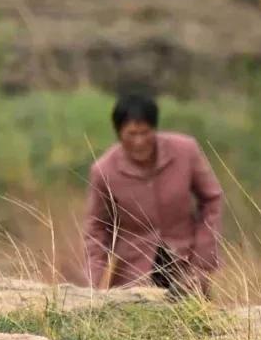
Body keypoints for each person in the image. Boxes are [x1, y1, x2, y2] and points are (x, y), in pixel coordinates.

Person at [83, 90, 224, 299]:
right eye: (131, 134)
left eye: (145, 132)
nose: (139, 141)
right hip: (134, 277)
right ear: (119, 133)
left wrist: (203, 259)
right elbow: (96, 229)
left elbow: (212, 198)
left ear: (155, 129)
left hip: (186, 268)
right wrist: (94, 286)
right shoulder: (104, 171)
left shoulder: (186, 151)